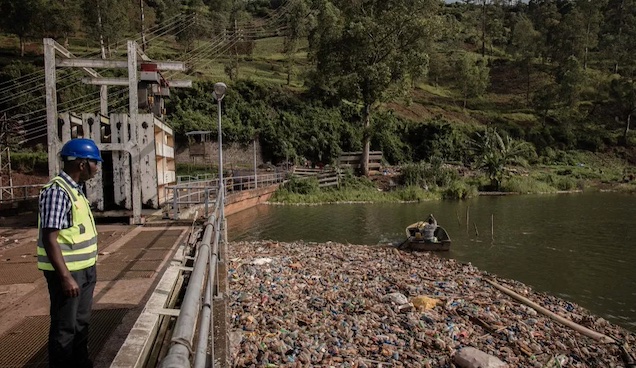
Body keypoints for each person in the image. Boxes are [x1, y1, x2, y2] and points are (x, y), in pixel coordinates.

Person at [37, 138, 102, 368]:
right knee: (64, 327)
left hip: (84, 271)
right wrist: (65, 277)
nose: (97, 168)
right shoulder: (57, 191)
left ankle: (80, 363)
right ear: (82, 164)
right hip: (68, 274)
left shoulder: (77, 191)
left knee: (81, 323)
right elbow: (49, 237)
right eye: (95, 163)